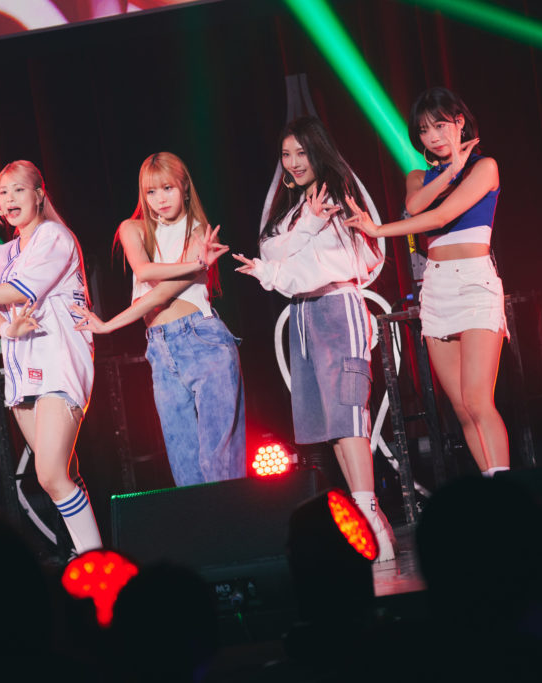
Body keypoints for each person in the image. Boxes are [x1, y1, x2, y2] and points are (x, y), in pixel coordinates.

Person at [233, 117, 394, 561]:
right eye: (286, 154)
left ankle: (371, 517)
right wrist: (295, 241)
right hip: (304, 315)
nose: (294, 162)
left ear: (318, 151)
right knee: (331, 427)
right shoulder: (293, 212)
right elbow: (271, 253)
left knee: (349, 417)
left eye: (301, 152)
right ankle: (368, 519)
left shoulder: (338, 198)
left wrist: (278, 266)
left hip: (338, 307)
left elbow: (319, 264)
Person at [0, 160, 102, 555]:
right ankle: (84, 551)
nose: (9, 199)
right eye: (3, 192)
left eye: (18, 190)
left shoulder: (55, 236)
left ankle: (96, 560)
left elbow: (18, 292)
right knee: (64, 473)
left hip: (60, 363)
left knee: (50, 475)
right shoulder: (3, 251)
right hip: (23, 373)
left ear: (39, 195)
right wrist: (6, 329)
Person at [345, 87, 509, 478]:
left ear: (460, 122)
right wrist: (449, 170)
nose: (432, 136)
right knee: (461, 407)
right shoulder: (418, 177)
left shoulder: (485, 167)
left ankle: (507, 492)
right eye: (423, 130)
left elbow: (441, 216)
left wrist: (377, 230)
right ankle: (491, 486)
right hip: (437, 287)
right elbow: (415, 206)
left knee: (477, 400)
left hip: (474, 282)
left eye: (439, 125)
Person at [71, 152, 245, 486]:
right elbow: (144, 271)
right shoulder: (132, 229)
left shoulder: (199, 234)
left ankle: (234, 520)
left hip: (203, 340)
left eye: (168, 188)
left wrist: (108, 325)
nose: (160, 198)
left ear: (185, 187)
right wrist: (198, 265)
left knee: (221, 465)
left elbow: (160, 294)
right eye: (151, 191)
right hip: (160, 348)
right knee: (184, 466)